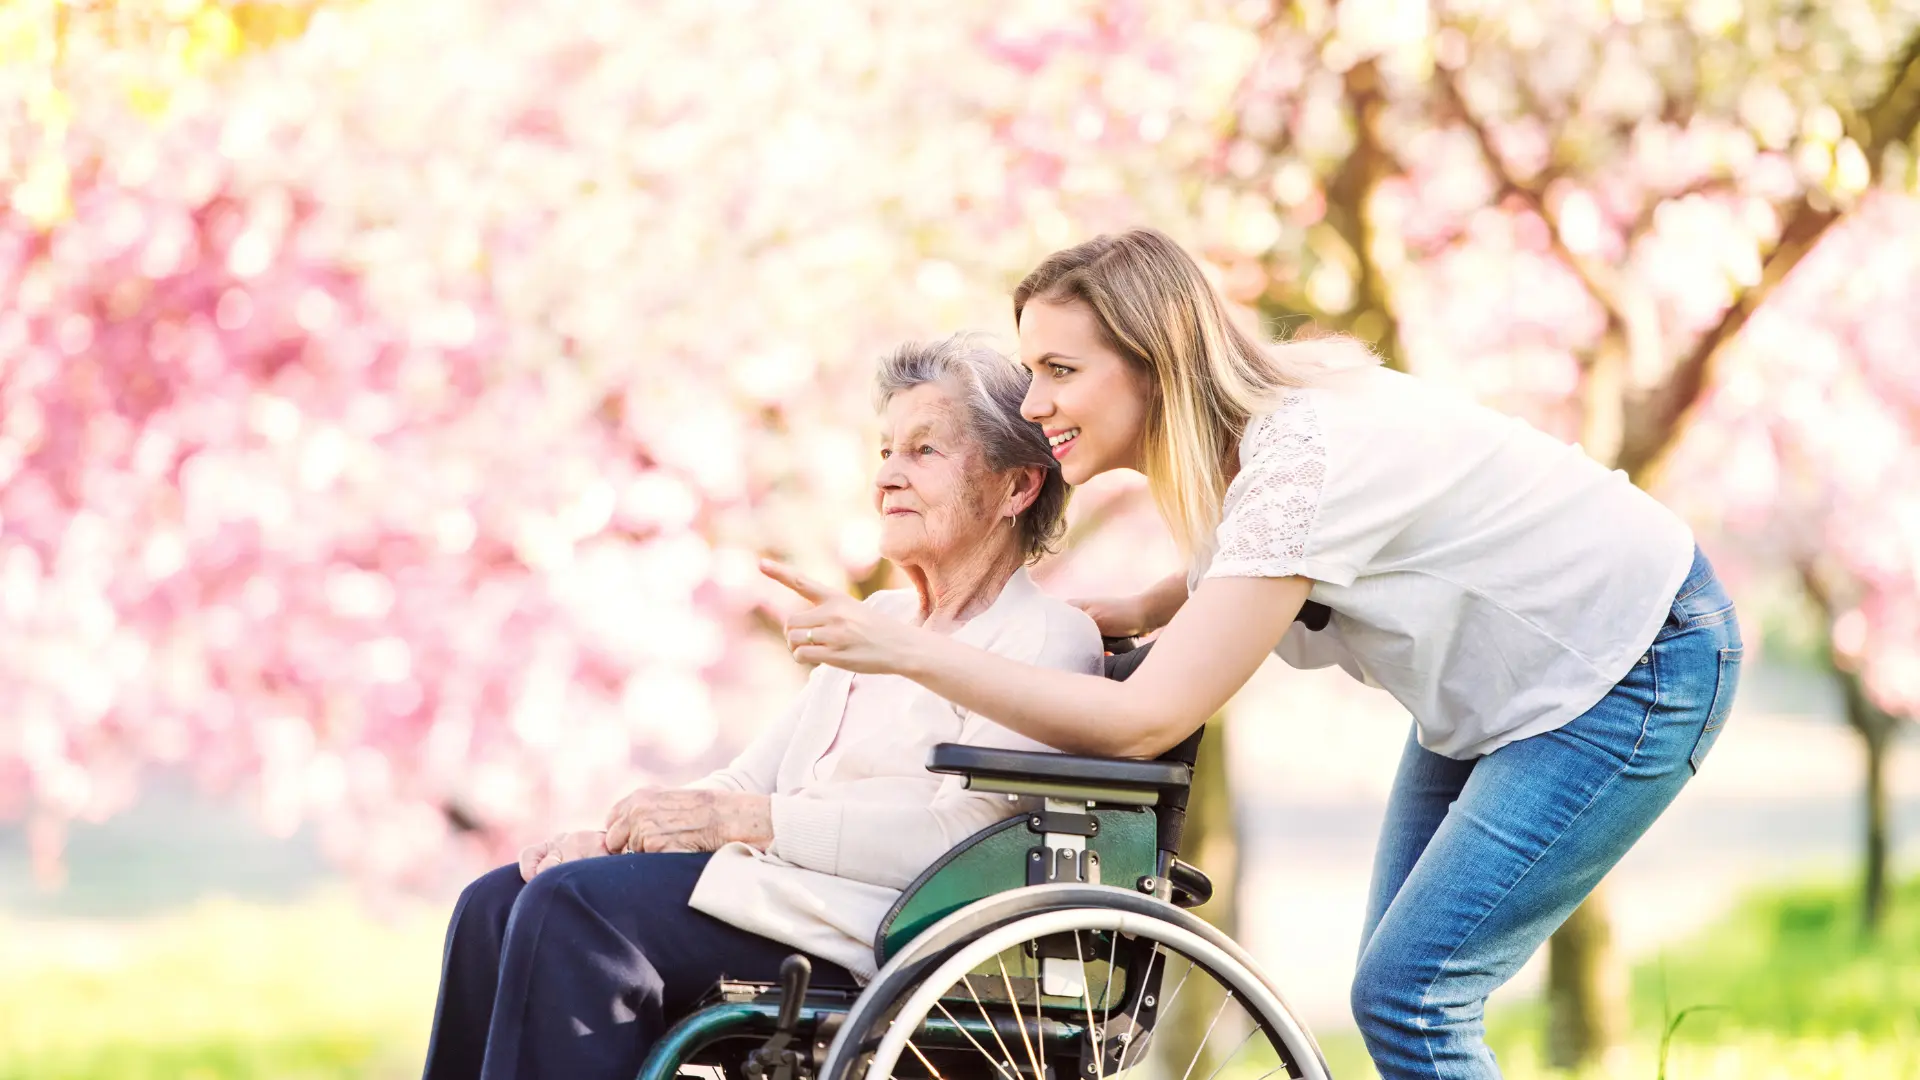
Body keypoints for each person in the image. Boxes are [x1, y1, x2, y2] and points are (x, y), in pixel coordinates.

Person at [763, 229, 1743, 1080]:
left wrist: (907, 651)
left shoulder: (1298, 461)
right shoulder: (1237, 449)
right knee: (1399, 993)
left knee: (1412, 996)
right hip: (1499, 691)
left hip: (1634, 661)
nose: (1033, 406)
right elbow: (1269, 558)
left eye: (1060, 372)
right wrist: (1152, 600)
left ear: (1153, 362)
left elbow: (1146, 719)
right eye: (1032, 375)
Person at [423, 335, 1103, 1080]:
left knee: (573, 913)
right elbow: (750, 785)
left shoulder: (1045, 637)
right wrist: (624, 839)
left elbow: (968, 841)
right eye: (884, 450)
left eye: (924, 452)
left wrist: (746, 825)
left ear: (1017, 488)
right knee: (496, 903)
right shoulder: (881, 618)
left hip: (875, 930)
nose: (887, 476)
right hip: (779, 893)